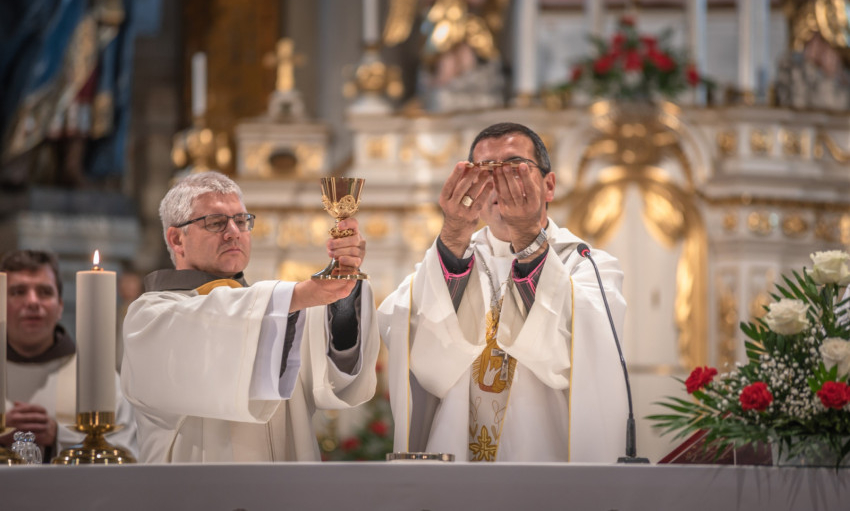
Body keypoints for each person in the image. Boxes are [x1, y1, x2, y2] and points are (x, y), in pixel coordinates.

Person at [378, 122, 629, 462]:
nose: (498, 183)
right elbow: (405, 332)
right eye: (485, 172)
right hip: (455, 463)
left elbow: (577, 355)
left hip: (545, 463)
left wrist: (527, 235)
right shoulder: (450, 259)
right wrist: (453, 235)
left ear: (549, 185)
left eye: (513, 168)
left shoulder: (587, 265)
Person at [121, 171, 379, 463]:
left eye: (241, 221)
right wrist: (303, 295)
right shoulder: (148, 319)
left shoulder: (279, 315)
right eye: (216, 222)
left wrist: (343, 288)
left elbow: (334, 380)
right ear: (177, 239)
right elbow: (213, 320)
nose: (233, 232)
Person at [0, 250, 137, 461]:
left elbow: (129, 455)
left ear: (60, 307)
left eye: (45, 292)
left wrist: (59, 436)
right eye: (18, 291)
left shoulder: (103, 380)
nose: (33, 302)